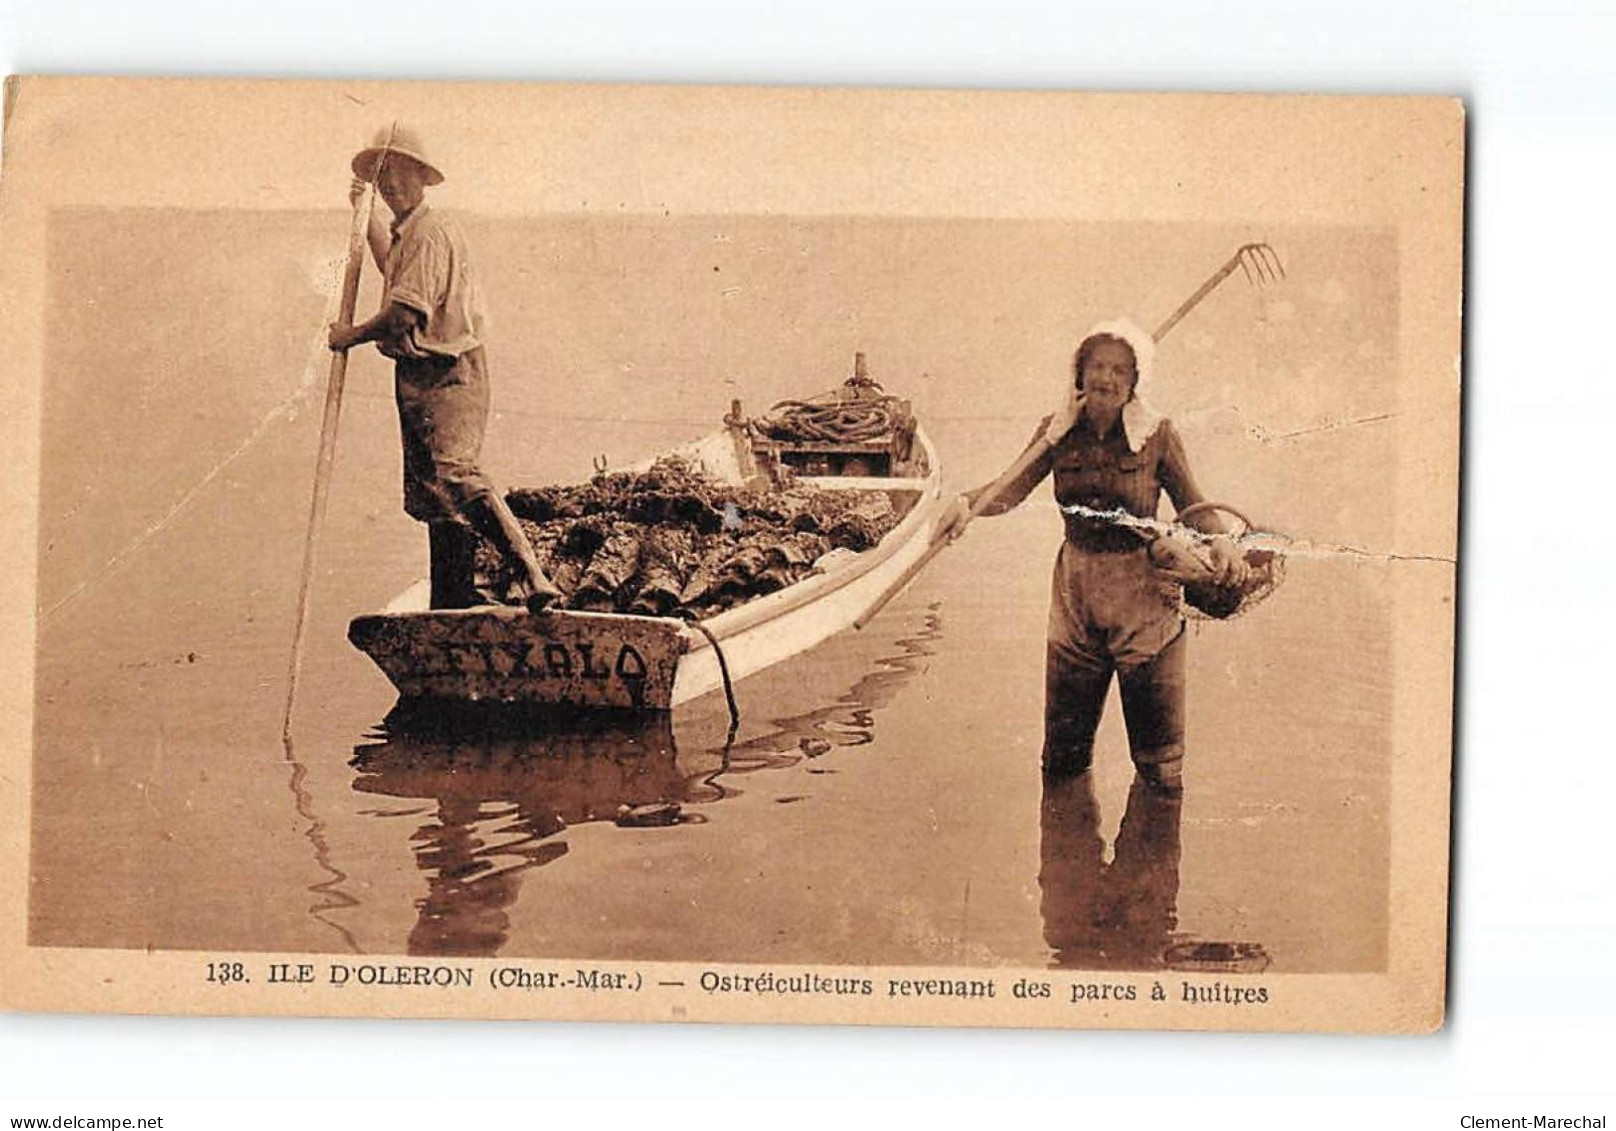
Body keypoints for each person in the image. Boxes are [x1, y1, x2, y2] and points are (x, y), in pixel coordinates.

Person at [936, 319, 1247, 793]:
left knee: (1160, 771)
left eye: (1120, 370)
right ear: (1078, 376)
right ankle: (1066, 857)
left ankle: (1154, 861)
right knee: (1062, 761)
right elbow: (1011, 488)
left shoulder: (1158, 435)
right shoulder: (1055, 433)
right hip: (1075, 593)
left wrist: (1221, 541)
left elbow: (1193, 504)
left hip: (1143, 596)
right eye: (1097, 367)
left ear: (1134, 382)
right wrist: (964, 505)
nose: (1107, 379)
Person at [328, 124, 562, 613]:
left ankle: (532, 574)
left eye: (399, 174)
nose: (391, 183)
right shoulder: (408, 232)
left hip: (450, 372)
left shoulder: (433, 232)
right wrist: (363, 212)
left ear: (421, 177)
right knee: (432, 492)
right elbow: (391, 266)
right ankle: (451, 599)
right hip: (417, 375)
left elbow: (403, 313)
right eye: (382, 176)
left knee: (456, 475)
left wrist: (350, 335)